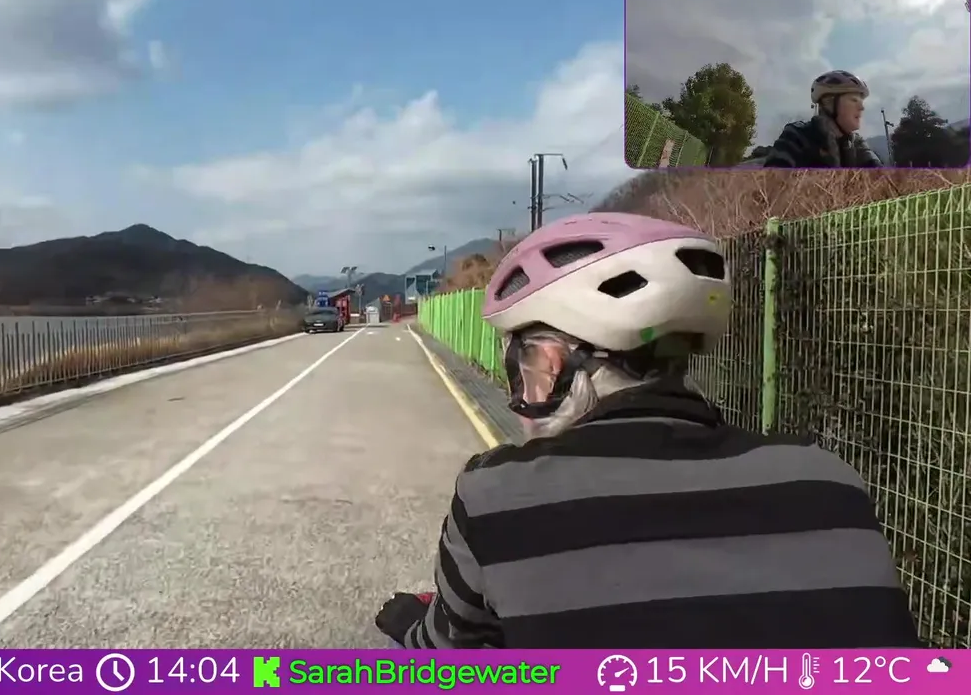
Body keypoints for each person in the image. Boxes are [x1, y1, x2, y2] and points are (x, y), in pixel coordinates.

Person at [375, 212, 920, 648]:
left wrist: (407, 624)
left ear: (551, 361)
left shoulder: (497, 495)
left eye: (519, 365)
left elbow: (452, 653)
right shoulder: (827, 479)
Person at [763, 70, 883, 168]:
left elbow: (880, 176)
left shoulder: (856, 144)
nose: (862, 107)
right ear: (829, 103)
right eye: (854, 100)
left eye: (861, 102)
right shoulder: (798, 135)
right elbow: (773, 179)